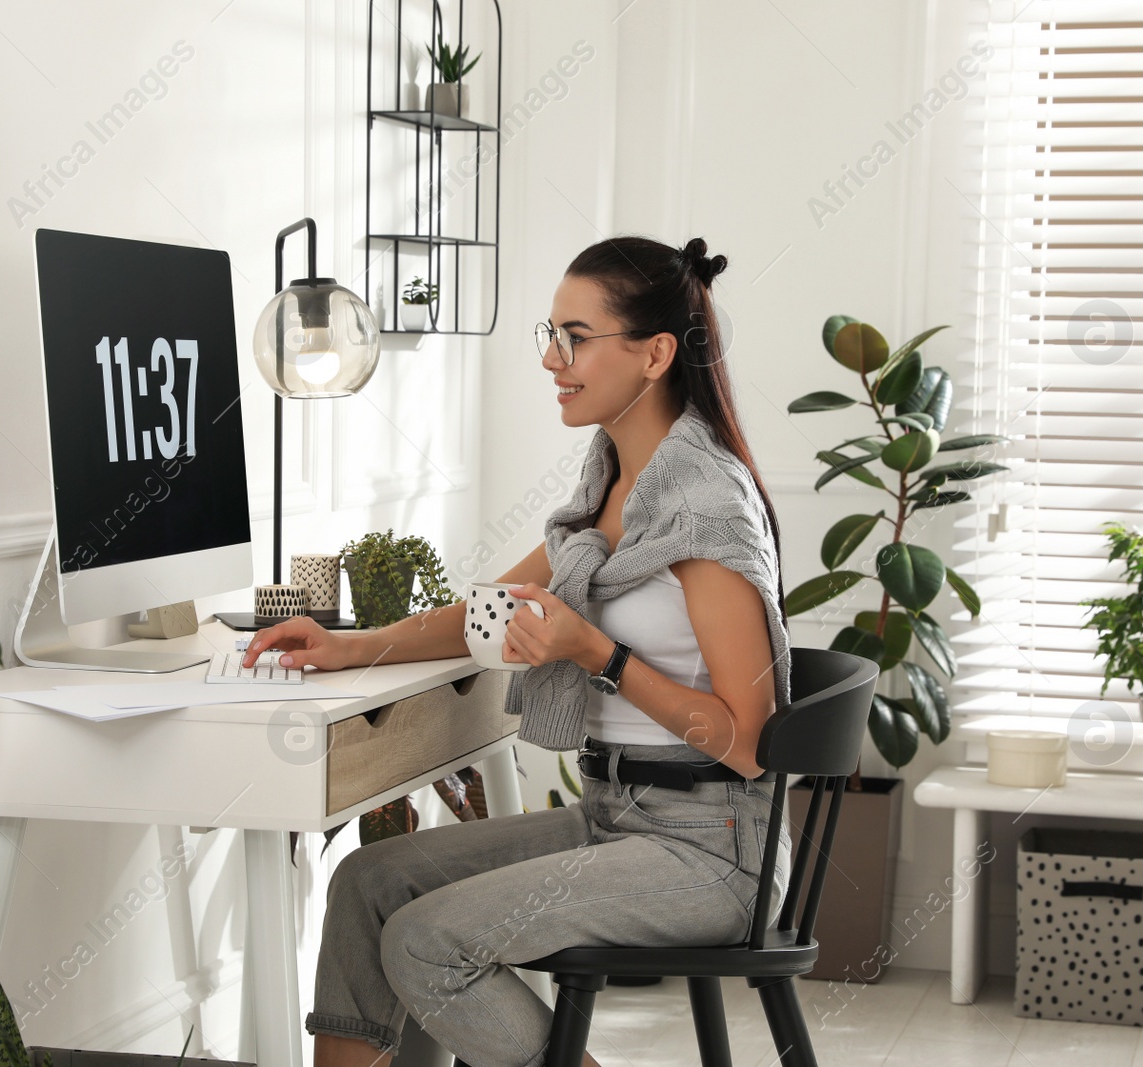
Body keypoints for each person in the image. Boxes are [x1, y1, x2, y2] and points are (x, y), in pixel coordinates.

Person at [241, 235, 795, 1067]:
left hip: (713, 849)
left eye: (575, 337)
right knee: (366, 885)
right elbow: (485, 611)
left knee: (428, 941)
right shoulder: (608, 484)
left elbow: (749, 741)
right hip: (614, 818)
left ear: (654, 354)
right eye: (551, 332)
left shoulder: (706, 507)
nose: (549, 357)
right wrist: (351, 646)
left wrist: (598, 655)